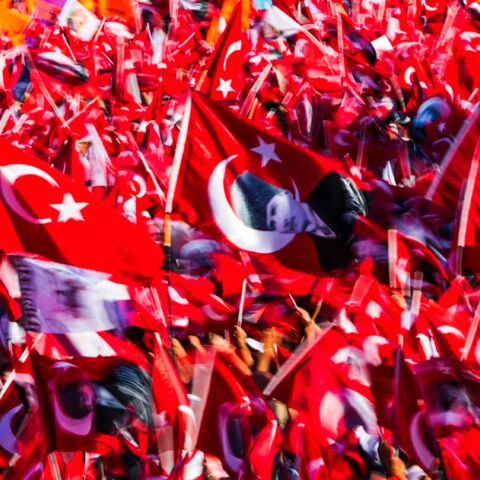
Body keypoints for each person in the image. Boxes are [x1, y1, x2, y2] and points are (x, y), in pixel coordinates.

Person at [231, 170, 367, 270]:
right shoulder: (319, 261)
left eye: (274, 210)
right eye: (272, 223)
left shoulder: (333, 187)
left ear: (286, 193)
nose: (280, 221)